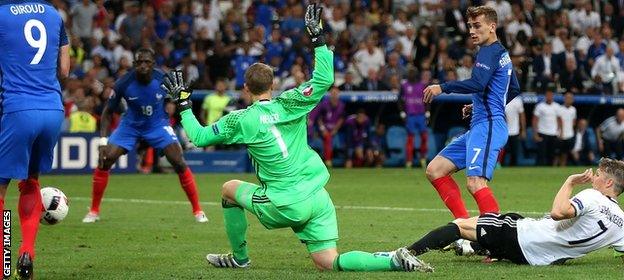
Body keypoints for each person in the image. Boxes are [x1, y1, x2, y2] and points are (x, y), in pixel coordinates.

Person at [161, 4, 428, 272]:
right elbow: (324, 78)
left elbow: (198, 136)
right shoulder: (291, 101)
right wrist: (318, 38)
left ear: (245, 88)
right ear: (273, 85)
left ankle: (239, 258)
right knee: (328, 262)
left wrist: (184, 105)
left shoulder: (241, 119)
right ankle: (392, 260)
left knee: (229, 190)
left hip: (284, 202)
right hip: (316, 195)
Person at [397, 158, 624, 268]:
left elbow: (557, 212)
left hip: (525, 240)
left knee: (460, 225)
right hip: (541, 257)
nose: (593, 176)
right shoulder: (621, 221)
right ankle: (471, 247)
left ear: (608, 182)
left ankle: (407, 253)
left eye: (598, 174)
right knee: (510, 219)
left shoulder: (592, 196)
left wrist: (569, 182)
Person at [82, 48, 207, 224]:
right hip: (130, 125)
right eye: (139, 62)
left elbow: (178, 99)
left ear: (153, 64)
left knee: (178, 160)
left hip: (157, 124)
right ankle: (94, 210)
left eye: (146, 62)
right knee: (106, 159)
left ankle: (198, 210)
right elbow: (107, 112)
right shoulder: (123, 83)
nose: (143, 65)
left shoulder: (163, 79)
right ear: (134, 64)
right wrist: (103, 141)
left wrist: (181, 98)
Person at [421, 6, 521, 220]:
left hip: (489, 126)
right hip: (480, 124)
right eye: (470, 26)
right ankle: (464, 227)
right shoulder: (501, 53)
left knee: (475, 182)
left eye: (477, 26)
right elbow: (513, 88)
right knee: (435, 169)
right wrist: (480, 106)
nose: (472, 31)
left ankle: (495, 242)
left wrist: (442, 87)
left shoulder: (489, 51)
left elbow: (477, 83)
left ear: (492, 27)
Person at [0, 1, 70, 277]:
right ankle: (26, 252)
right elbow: (64, 71)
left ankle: (3, 267)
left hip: (19, 109)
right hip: (53, 108)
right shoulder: (54, 14)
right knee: (30, 182)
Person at [399, 68, 429, 168]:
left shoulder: (422, 85)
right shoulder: (404, 85)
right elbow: (399, 99)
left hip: (421, 114)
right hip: (410, 115)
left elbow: (427, 98)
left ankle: (423, 159)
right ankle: (409, 161)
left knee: (424, 137)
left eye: (413, 73)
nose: (411, 74)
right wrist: (402, 112)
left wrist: (428, 112)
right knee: (410, 138)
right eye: (410, 73)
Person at [316, 86, 345, 167]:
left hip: (335, 130)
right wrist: (322, 129)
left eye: (336, 93)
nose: (334, 95)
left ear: (339, 94)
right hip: (323, 130)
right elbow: (319, 118)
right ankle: (328, 160)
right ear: (330, 94)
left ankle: (329, 160)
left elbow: (341, 119)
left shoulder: (341, 105)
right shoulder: (324, 103)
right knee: (327, 137)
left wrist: (335, 129)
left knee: (331, 139)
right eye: (333, 93)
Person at [532, 87, 561, 166]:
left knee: (551, 154)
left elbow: (559, 120)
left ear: (553, 96)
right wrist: (535, 134)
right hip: (542, 132)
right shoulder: (540, 106)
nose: (549, 97)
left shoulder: (557, 106)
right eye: (547, 95)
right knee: (541, 154)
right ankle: (539, 170)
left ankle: (550, 170)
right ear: (545, 96)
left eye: (550, 95)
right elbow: (535, 120)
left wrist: (559, 132)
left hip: (553, 133)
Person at [556, 92, 577, 166]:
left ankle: (562, 166)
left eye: (571, 98)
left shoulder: (573, 109)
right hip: (560, 134)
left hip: (569, 134)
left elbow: (574, 122)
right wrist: (560, 132)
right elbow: (558, 121)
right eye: (567, 98)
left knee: (565, 153)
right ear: (564, 99)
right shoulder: (559, 108)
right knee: (557, 153)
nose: (569, 99)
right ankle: (553, 167)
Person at [503, 96, 525, 166]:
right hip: (503, 131)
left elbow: (522, 116)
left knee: (514, 152)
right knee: (502, 151)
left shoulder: (518, 101)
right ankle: (500, 165)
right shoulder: (502, 99)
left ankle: (513, 166)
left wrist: (523, 130)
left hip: (515, 131)